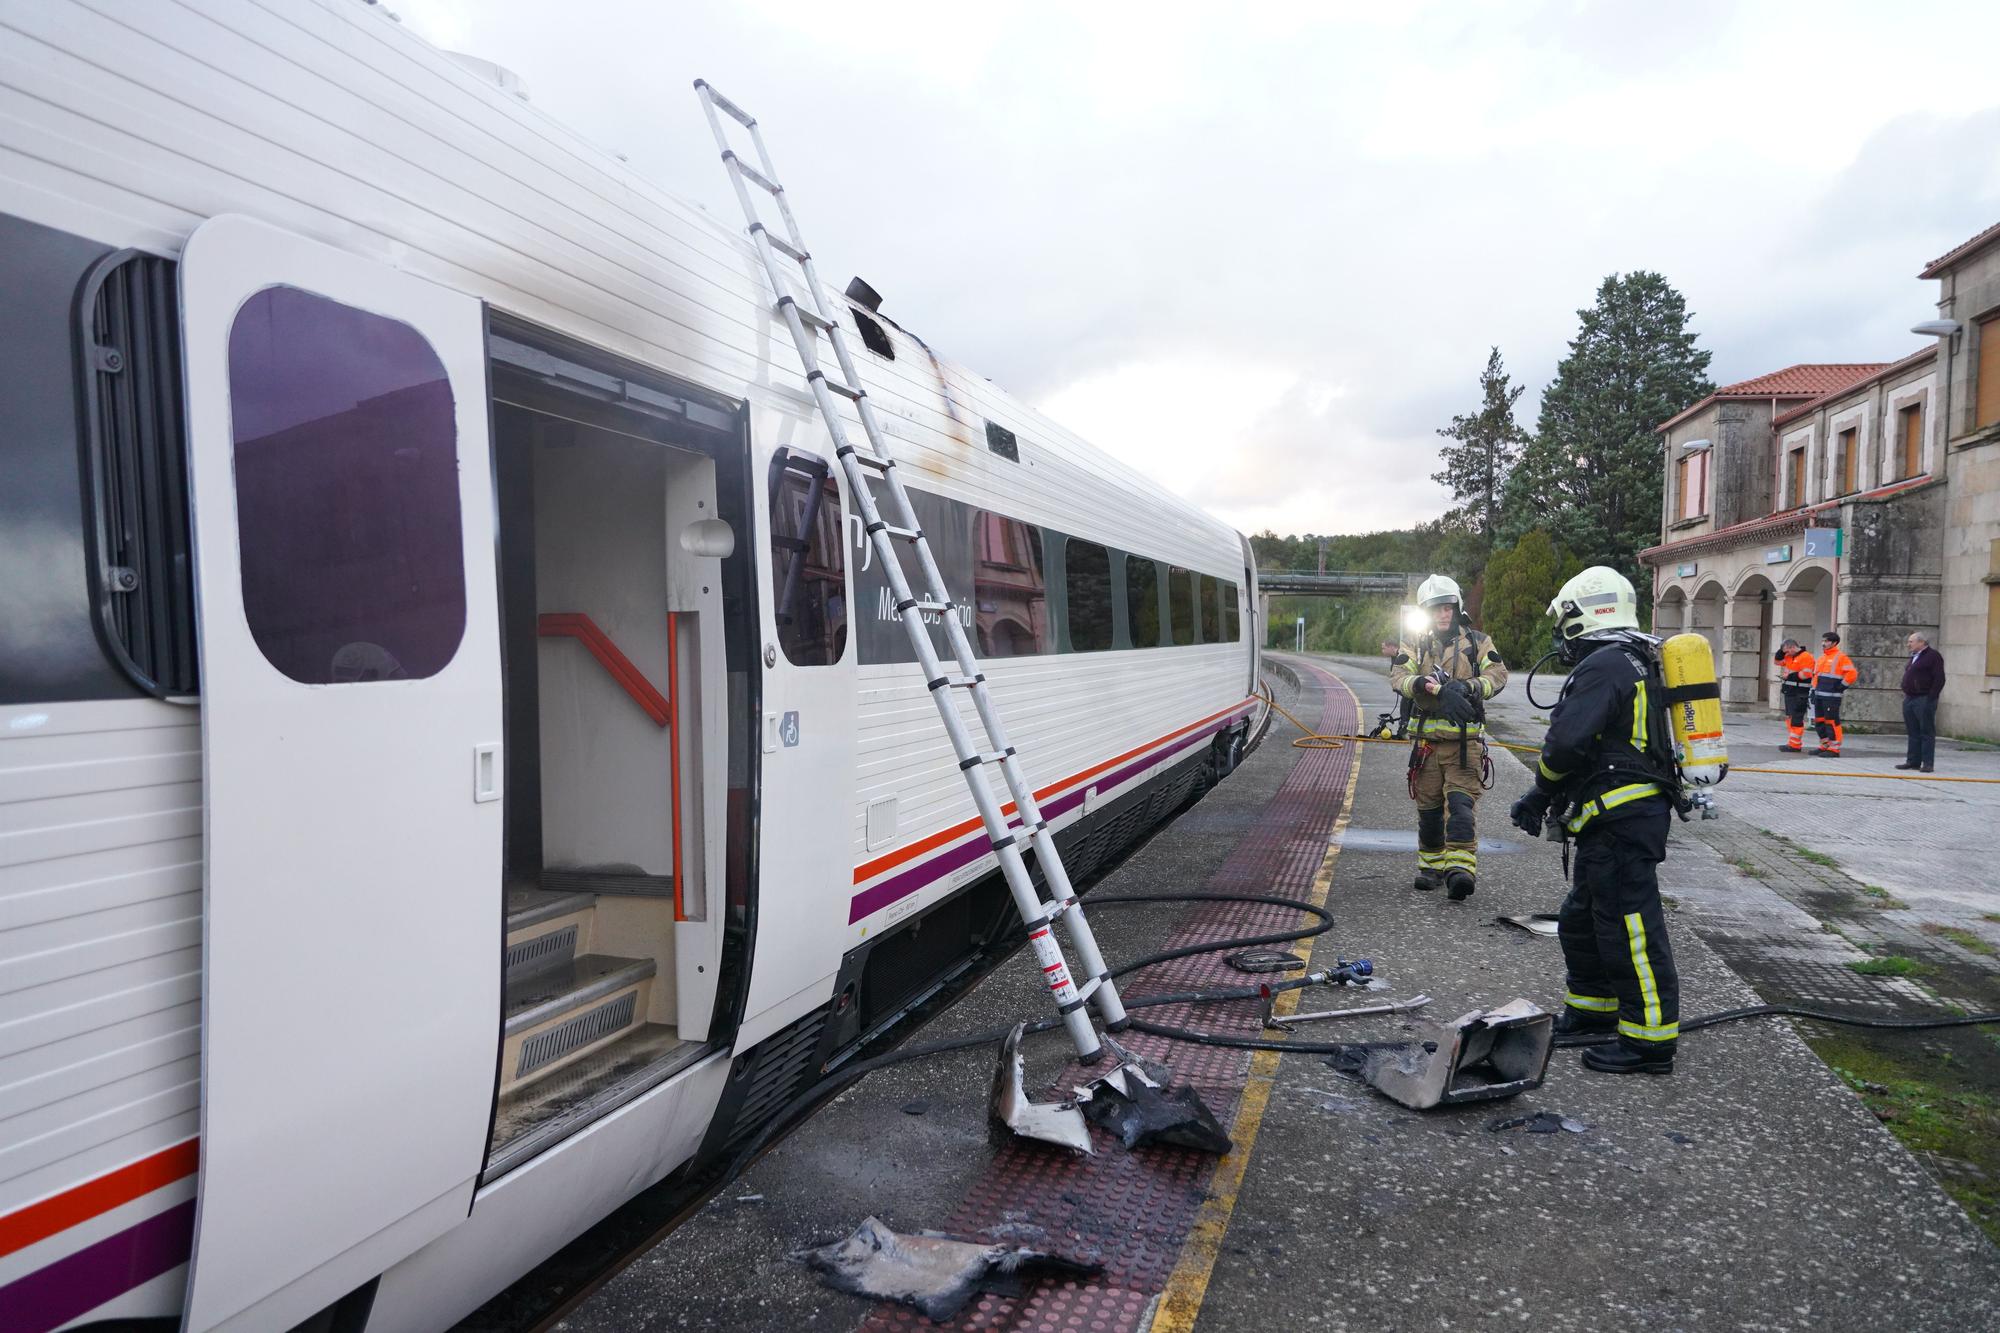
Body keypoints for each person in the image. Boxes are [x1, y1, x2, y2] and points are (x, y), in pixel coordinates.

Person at [1508, 566, 1679, 1076]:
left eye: (1565, 622)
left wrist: (1539, 792)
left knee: (1630, 927)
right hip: (1613, 819)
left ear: (1582, 617)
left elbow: (1565, 744)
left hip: (1622, 821)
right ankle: (1592, 1010)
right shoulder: (1630, 659)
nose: (1560, 636)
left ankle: (1650, 1040)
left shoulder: (1605, 665)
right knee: (1583, 919)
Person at [1389, 575, 1508, 901]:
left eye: (1448, 607)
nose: (1443, 614)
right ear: (1428, 612)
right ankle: (1431, 868)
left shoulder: (1478, 641)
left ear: (1456, 608)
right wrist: (1425, 686)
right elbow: (1398, 675)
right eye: (1436, 608)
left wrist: (1469, 687)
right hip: (1427, 747)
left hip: (1463, 747)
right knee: (1429, 812)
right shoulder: (1415, 643)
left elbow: (1498, 676)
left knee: (1460, 806)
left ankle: (1460, 871)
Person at [1898, 631, 1945, 772]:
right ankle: (1913, 761)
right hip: (1910, 698)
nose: (1908, 644)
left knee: (1926, 731)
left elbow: (1939, 678)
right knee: (1913, 731)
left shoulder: (1933, 656)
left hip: (1924, 698)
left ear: (1921, 642)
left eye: (1911, 641)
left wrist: (1931, 696)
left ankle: (1927, 763)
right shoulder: (1914, 657)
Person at [1811, 631, 1858, 757]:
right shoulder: (1821, 658)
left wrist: (1841, 686)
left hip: (1832, 697)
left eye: (1826, 641)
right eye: (1823, 641)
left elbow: (1852, 674)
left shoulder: (1841, 657)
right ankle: (1825, 745)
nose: (1823, 643)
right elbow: (1816, 676)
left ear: (1834, 643)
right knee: (1819, 721)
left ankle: (1834, 749)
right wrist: (1813, 691)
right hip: (1819, 695)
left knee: (1831, 721)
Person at [1773, 638, 1817, 753]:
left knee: (1796, 718)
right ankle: (1792, 743)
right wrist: (1781, 652)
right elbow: (1777, 661)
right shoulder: (1789, 656)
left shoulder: (1806, 656)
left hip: (1800, 691)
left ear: (1792, 647)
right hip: (1790, 691)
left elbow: (1807, 674)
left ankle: (1795, 745)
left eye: (1787, 651)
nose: (1785, 654)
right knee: (1790, 717)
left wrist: (1790, 676)